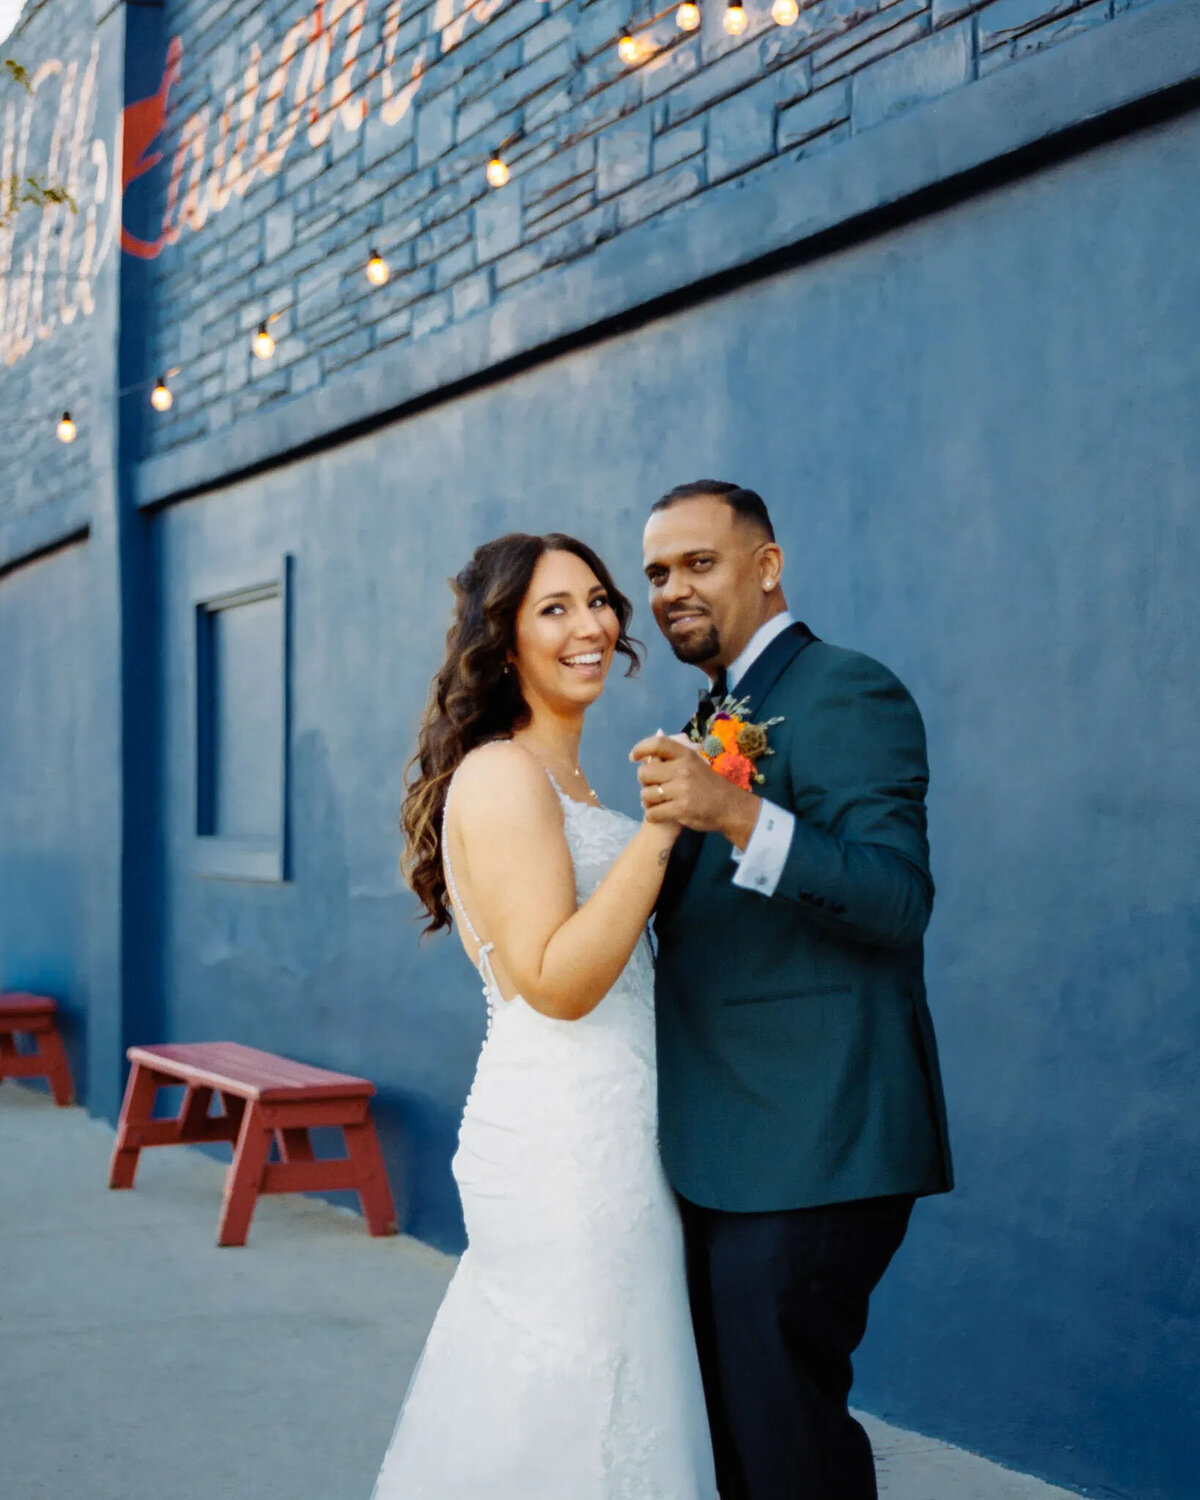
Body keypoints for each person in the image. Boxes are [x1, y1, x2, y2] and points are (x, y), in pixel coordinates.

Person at [374, 532, 718, 1499]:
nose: (593, 626)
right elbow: (555, 983)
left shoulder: (567, 779)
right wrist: (661, 830)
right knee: (571, 1396)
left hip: (616, 1124)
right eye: (555, 609)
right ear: (504, 639)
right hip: (564, 1140)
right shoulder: (503, 774)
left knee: (622, 1386)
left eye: (599, 601)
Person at [632, 481, 954, 1500]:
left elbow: (897, 900)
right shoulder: (715, 714)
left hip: (818, 1137)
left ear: (768, 565)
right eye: (655, 573)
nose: (671, 588)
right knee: (738, 1432)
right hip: (726, 1143)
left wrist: (735, 814)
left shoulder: (846, 690)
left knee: (783, 1443)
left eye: (698, 563)